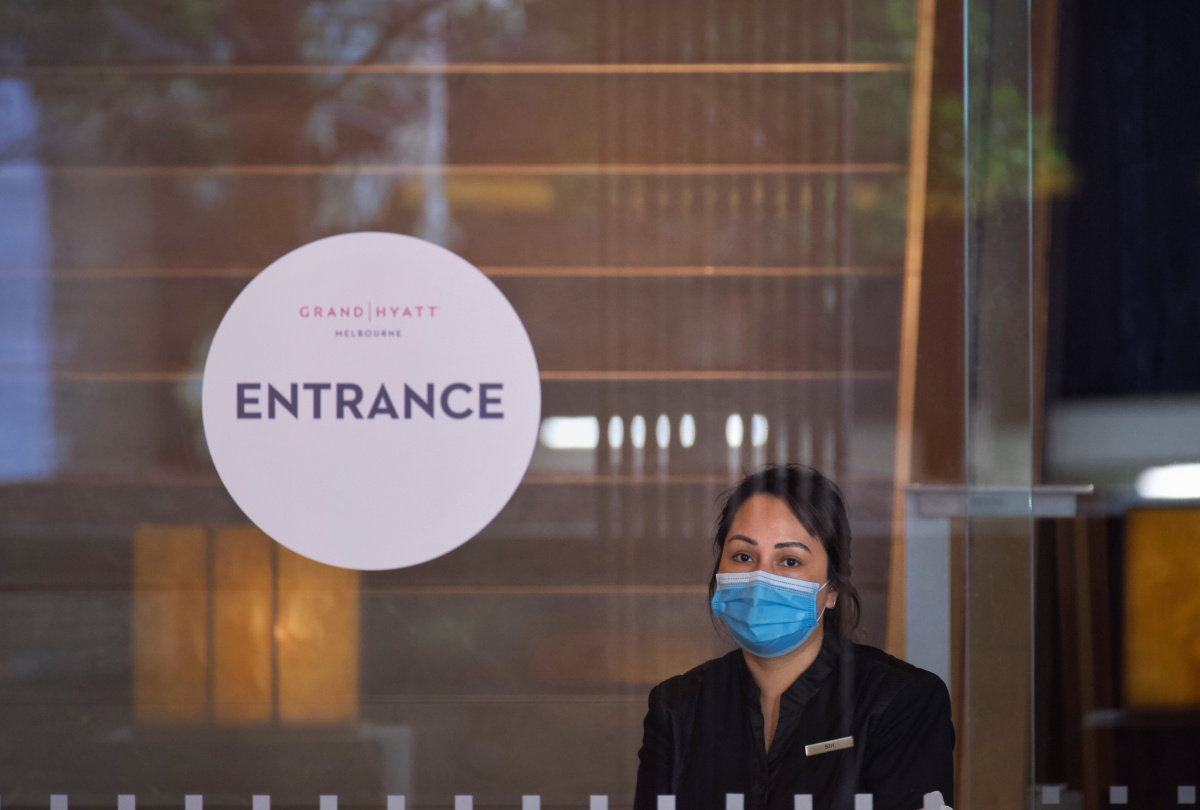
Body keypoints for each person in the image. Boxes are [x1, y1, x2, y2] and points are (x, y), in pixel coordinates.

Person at [634, 465, 954, 810]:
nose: (760, 579)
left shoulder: (901, 701)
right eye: (743, 556)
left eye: (789, 561)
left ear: (832, 589)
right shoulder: (677, 707)